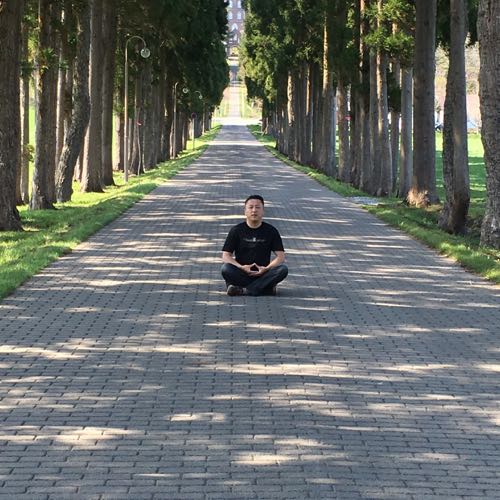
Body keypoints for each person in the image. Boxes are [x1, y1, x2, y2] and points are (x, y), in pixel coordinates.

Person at [221, 194, 288, 296]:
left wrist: (266, 269)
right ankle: (265, 288)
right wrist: (241, 267)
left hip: (263, 273)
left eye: (257, 207)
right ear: (245, 211)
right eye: (250, 207)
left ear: (263, 211)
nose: (254, 210)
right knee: (226, 269)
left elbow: (281, 257)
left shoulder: (271, 231)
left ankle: (244, 290)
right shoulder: (236, 230)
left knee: (283, 270)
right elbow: (226, 256)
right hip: (242, 272)